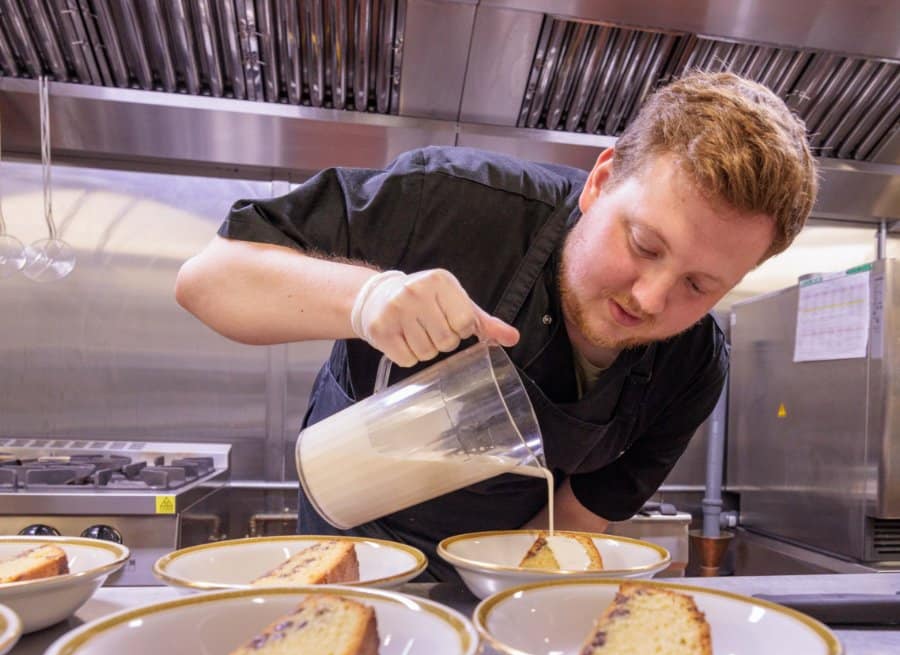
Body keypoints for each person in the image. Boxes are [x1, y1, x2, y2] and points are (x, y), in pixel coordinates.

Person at [175, 70, 818, 581]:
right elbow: (207, 281)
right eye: (645, 245)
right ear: (600, 182)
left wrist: (509, 600)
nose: (651, 299)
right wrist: (366, 297)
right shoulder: (454, 202)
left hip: (491, 572)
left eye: (699, 286)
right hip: (345, 547)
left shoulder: (694, 368)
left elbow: (574, 516)